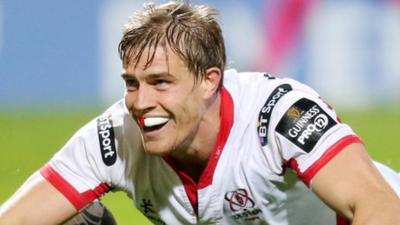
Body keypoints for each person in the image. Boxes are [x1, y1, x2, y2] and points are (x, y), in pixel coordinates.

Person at [1, 1, 400, 224]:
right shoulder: (115, 138)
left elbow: (378, 207)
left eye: (161, 82)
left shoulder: (279, 113)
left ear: (209, 80)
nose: (141, 103)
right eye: (131, 83)